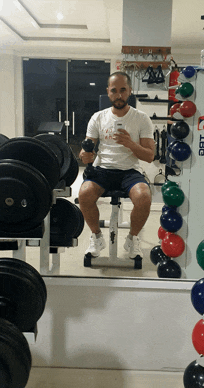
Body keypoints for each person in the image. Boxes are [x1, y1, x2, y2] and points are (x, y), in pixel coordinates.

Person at [78, 71, 155, 259]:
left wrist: (130, 144)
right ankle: (96, 237)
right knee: (84, 193)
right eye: (114, 90)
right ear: (108, 92)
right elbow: (86, 148)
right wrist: (84, 155)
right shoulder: (98, 117)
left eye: (123, 90)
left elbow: (150, 156)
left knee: (144, 197)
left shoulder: (141, 118)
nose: (119, 95)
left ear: (130, 91)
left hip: (130, 171)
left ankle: (132, 238)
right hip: (102, 170)